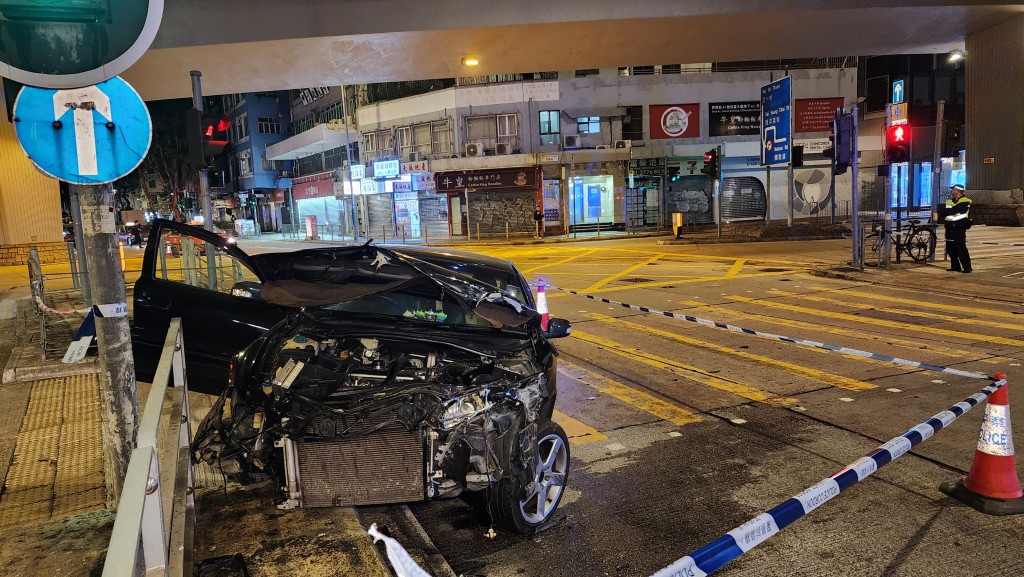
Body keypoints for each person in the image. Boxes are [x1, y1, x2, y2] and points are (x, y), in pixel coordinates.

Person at [934, 184, 972, 273]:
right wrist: (944, 212)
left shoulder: (965, 201)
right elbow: (944, 212)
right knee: (950, 248)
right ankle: (955, 266)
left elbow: (954, 211)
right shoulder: (950, 201)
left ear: (957, 191)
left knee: (961, 248)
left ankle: (967, 267)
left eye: (953, 189)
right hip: (949, 228)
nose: (951, 191)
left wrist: (946, 212)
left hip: (959, 228)